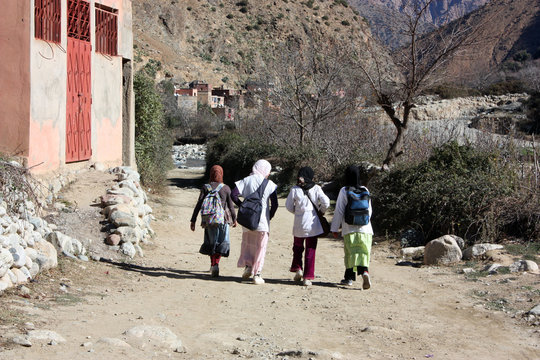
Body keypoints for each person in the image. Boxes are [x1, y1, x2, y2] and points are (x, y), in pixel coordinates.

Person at [231, 159, 278, 285]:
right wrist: (270, 216)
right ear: (266, 170)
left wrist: (242, 206)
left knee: (248, 244)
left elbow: (233, 194)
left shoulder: (246, 180)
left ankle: (248, 267)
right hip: (262, 221)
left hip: (248, 219)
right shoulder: (270, 184)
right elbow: (275, 204)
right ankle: (257, 274)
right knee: (260, 247)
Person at [285, 167, 330, 286]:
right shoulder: (316, 188)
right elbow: (326, 202)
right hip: (313, 225)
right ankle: (307, 277)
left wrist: (298, 212)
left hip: (299, 224)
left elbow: (289, 206)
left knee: (297, 247)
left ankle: (298, 268)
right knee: (311, 250)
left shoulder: (295, 189)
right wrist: (321, 212)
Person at [330, 165, 373, 289]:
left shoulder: (344, 190)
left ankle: (349, 278)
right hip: (366, 228)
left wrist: (334, 228)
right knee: (363, 252)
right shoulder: (365, 189)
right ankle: (365, 272)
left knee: (350, 253)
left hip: (349, 228)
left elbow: (339, 210)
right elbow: (369, 210)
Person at [190, 165, 237, 277]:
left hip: (208, 220)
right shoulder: (225, 188)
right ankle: (216, 264)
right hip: (222, 220)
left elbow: (199, 204)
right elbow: (231, 206)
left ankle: (213, 265)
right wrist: (234, 219)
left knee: (211, 242)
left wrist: (193, 220)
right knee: (220, 242)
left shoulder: (206, 187)